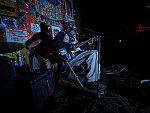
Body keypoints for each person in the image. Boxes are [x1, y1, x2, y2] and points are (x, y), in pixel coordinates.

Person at [52, 20, 100, 88]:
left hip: (75, 56)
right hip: (68, 59)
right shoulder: (61, 33)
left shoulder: (71, 35)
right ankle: (90, 80)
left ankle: (90, 80)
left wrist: (87, 44)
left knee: (95, 52)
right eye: (71, 23)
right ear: (66, 24)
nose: (73, 24)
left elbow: (77, 47)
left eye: (73, 23)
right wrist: (69, 46)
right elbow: (54, 44)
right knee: (93, 53)